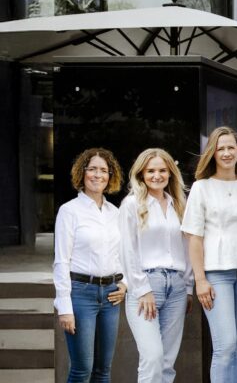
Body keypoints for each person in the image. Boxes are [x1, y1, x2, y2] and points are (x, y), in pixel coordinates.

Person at [181, 127, 237, 382]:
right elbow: (194, 237)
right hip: (216, 273)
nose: (227, 152)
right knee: (225, 344)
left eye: (231, 147)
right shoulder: (201, 187)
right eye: (221, 148)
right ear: (212, 153)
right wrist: (200, 279)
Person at [55, 147, 128, 383]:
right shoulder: (69, 211)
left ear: (110, 176)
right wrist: (65, 307)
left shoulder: (114, 213)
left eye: (104, 170)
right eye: (92, 169)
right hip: (81, 294)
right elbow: (61, 260)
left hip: (110, 296)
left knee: (103, 370)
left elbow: (124, 254)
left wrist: (124, 283)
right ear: (82, 173)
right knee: (81, 370)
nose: (98, 175)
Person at [119, 148, 191, 383]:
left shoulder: (179, 204)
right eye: (150, 171)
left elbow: (188, 247)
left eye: (162, 170)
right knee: (152, 357)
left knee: (168, 362)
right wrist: (142, 289)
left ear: (171, 173)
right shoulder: (131, 204)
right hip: (147, 285)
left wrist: (188, 287)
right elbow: (127, 250)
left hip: (177, 288)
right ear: (141, 174)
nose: (157, 175)